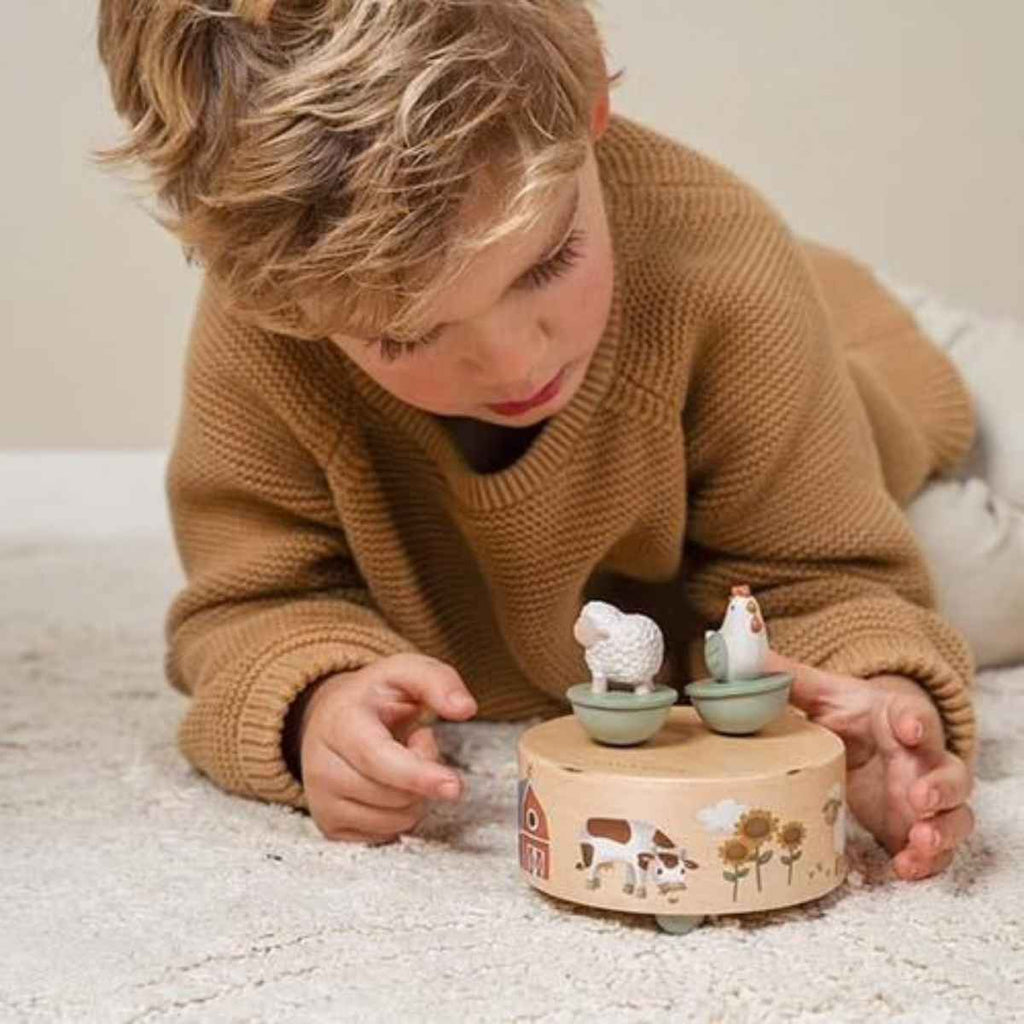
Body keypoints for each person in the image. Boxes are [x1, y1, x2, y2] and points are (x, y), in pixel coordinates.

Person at [96, 0, 976, 881]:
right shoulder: (275, 321)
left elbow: (830, 579)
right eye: (405, 335)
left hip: (864, 383)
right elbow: (249, 604)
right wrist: (316, 700)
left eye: (547, 264)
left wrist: (884, 705)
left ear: (594, 101)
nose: (515, 362)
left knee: (977, 582)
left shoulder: (723, 274)